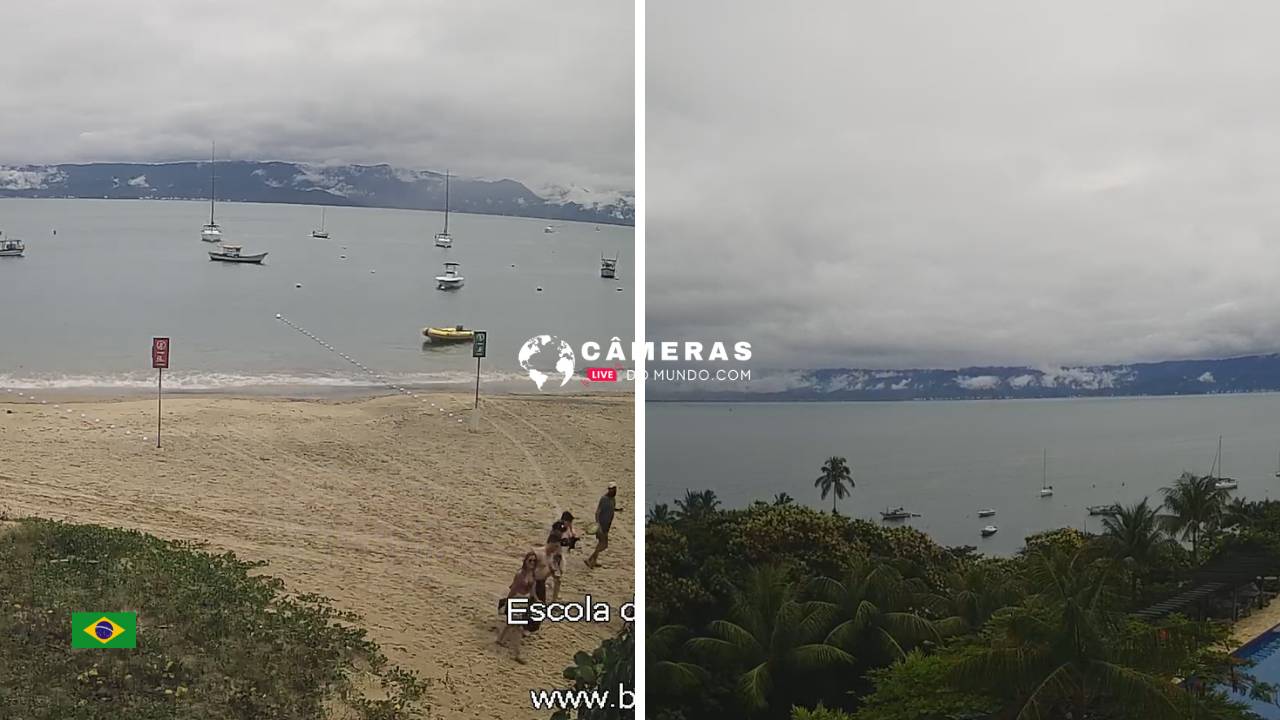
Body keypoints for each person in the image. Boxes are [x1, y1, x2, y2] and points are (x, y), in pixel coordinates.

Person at [496, 551, 539, 663]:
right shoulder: (520, 574)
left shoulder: (533, 575)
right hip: (517, 599)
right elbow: (513, 589)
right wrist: (507, 603)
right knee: (519, 627)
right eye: (530, 560)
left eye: (534, 561)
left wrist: (538, 600)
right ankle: (517, 653)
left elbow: (533, 591)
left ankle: (500, 640)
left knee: (511, 624)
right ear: (525, 561)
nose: (532, 563)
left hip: (525, 600)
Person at [585, 482, 622, 569]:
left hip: (607, 526)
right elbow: (598, 512)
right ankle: (590, 559)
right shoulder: (604, 499)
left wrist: (617, 510)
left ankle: (593, 560)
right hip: (601, 526)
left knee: (601, 543)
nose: (613, 490)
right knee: (604, 544)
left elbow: (611, 508)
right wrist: (598, 525)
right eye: (611, 489)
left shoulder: (613, 499)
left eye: (614, 489)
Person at [533, 523, 565, 603]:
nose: (557, 549)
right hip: (530, 583)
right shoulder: (537, 553)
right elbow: (527, 573)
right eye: (556, 546)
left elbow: (558, 581)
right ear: (550, 543)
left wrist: (554, 600)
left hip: (541, 585)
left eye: (558, 547)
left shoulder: (555, 559)